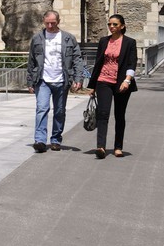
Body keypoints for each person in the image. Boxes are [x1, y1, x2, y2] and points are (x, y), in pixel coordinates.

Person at [25, 8, 83, 152]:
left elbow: (77, 59)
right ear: (43, 22)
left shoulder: (68, 38)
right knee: (42, 109)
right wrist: (30, 82)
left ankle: (56, 139)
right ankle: (40, 140)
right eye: (47, 23)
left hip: (62, 80)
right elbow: (31, 61)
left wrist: (78, 78)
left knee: (59, 111)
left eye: (53, 23)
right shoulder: (38, 38)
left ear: (58, 21)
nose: (50, 26)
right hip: (42, 80)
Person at [86, 13, 139, 159]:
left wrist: (127, 81)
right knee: (103, 113)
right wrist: (93, 85)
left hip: (122, 83)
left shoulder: (129, 42)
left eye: (115, 24)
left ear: (122, 26)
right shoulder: (104, 41)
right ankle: (101, 146)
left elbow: (131, 63)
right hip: (103, 80)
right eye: (110, 24)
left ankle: (118, 147)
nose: (111, 27)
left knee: (119, 115)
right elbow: (98, 63)